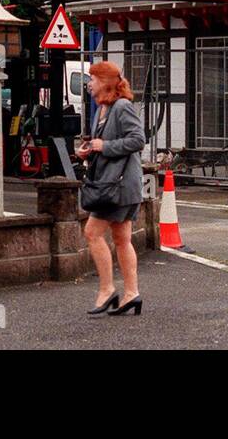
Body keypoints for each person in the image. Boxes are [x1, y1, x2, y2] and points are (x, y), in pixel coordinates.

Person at [76, 60, 145, 316]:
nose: (89, 84)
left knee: (92, 232)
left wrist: (104, 147)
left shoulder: (122, 107)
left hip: (120, 186)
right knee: (121, 238)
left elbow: (138, 139)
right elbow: (103, 144)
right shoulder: (101, 110)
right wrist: (87, 152)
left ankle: (107, 290)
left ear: (104, 82)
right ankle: (131, 294)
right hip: (114, 184)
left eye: (92, 79)